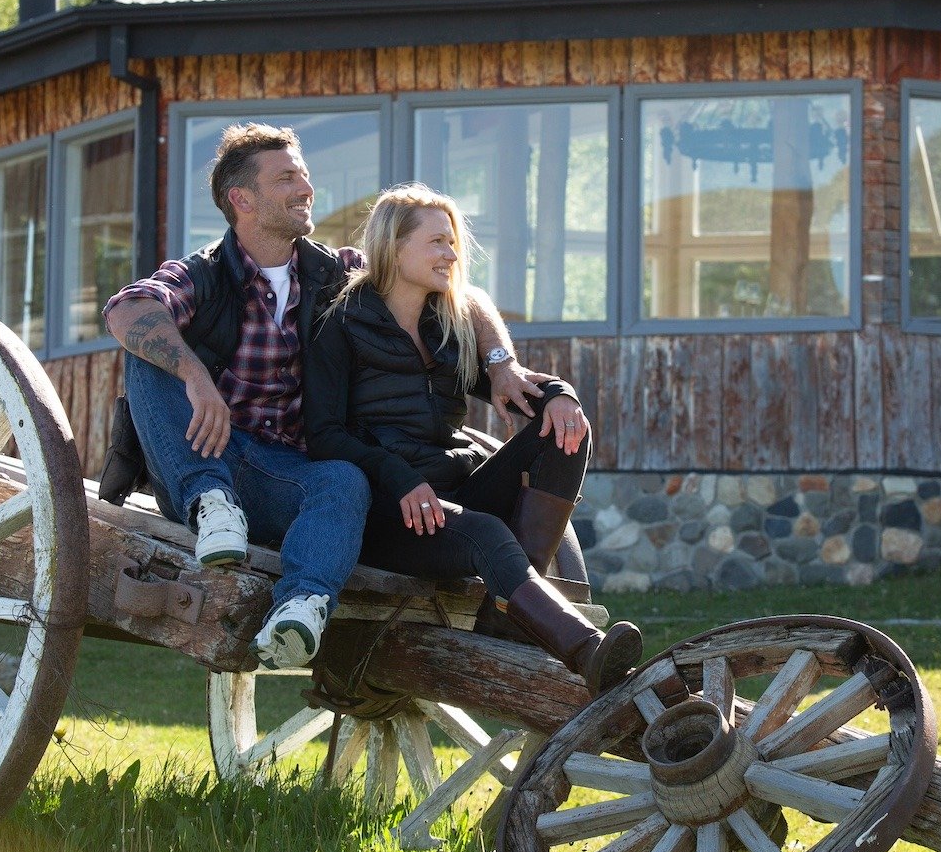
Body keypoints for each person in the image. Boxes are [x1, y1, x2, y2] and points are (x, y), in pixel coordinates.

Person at [102, 125, 547, 670]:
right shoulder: (203, 274)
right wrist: (194, 374)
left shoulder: (335, 272)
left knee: (343, 478)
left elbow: (460, 292)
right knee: (149, 347)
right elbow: (126, 309)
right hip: (198, 457)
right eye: (287, 178)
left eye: (305, 175)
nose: (305, 187)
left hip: (283, 474)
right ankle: (209, 504)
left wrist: (501, 365)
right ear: (242, 199)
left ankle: (302, 609)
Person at [304, 184, 643, 695]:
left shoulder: (447, 328)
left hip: (452, 492)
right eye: (438, 241)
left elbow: (517, 389)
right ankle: (584, 649)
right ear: (395, 247)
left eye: (454, 242)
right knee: (485, 533)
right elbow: (323, 436)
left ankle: (505, 610)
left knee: (565, 434)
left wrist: (561, 395)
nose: (452, 254)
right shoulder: (339, 324)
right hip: (386, 511)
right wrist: (398, 479)